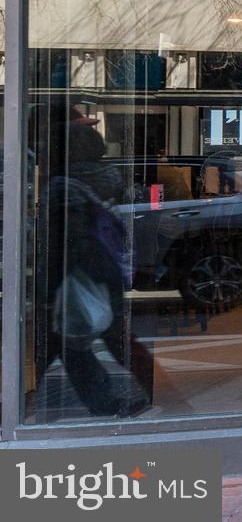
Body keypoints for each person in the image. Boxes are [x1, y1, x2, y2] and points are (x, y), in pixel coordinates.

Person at [37, 116, 150, 417]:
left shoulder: (63, 185)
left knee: (65, 342)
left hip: (76, 273)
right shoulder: (107, 176)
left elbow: (70, 238)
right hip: (106, 268)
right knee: (110, 335)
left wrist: (49, 279)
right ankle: (147, 385)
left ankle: (106, 401)